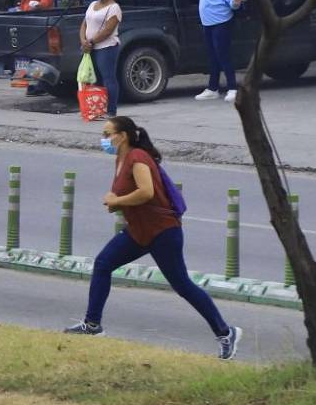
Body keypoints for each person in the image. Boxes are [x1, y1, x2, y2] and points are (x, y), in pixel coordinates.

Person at [65, 117, 242, 359]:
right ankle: (92, 324)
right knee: (103, 263)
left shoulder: (137, 157)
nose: (103, 139)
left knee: (182, 285)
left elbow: (146, 192)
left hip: (162, 232)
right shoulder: (121, 159)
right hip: (139, 231)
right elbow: (133, 194)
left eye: (107, 134)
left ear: (123, 136)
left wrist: (117, 200)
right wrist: (116, 203)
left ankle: (226, 333)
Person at [195, 0, 245, 102]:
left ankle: (233, 88)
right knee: (213, 56)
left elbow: (232, 3)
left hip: (221, 22)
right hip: (207, 22)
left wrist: (235, 3)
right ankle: (213, 88)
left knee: (223, 55)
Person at [80, 0, 123, 118]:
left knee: (108, 78)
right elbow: (84, 24)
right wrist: (83, 40)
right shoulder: (92, 5)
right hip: (89, 47)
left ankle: (111, 110)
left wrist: (91, 42)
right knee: (94, 79)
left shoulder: (114, 8)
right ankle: (97, 108)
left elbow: (108, 30)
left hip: (106, 47)